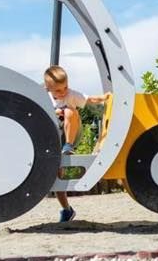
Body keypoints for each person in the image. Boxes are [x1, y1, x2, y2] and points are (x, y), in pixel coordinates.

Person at [43, 65, 107, 222]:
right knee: (57, 176)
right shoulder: (43, 97)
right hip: (54, 138)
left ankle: (69, 146)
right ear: (48, 89)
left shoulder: (71, 95)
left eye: (65, 87)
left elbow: (89, 99)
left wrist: (104, 97)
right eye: (58, 90)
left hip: (71, 134)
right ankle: (66, 209)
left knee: (70, 110)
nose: (63, 92)